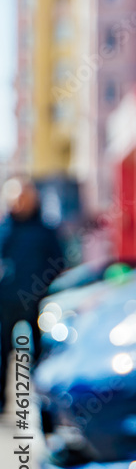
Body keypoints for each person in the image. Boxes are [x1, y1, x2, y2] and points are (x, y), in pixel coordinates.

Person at [0, 176, 64, 412]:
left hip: (37, 303)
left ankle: (44, 408)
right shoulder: (4, 230)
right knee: (2, 354)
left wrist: (41, 286)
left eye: (25, 196)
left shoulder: (44, 231)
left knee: (39, 357)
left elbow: (58, 262)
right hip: (5, 302)